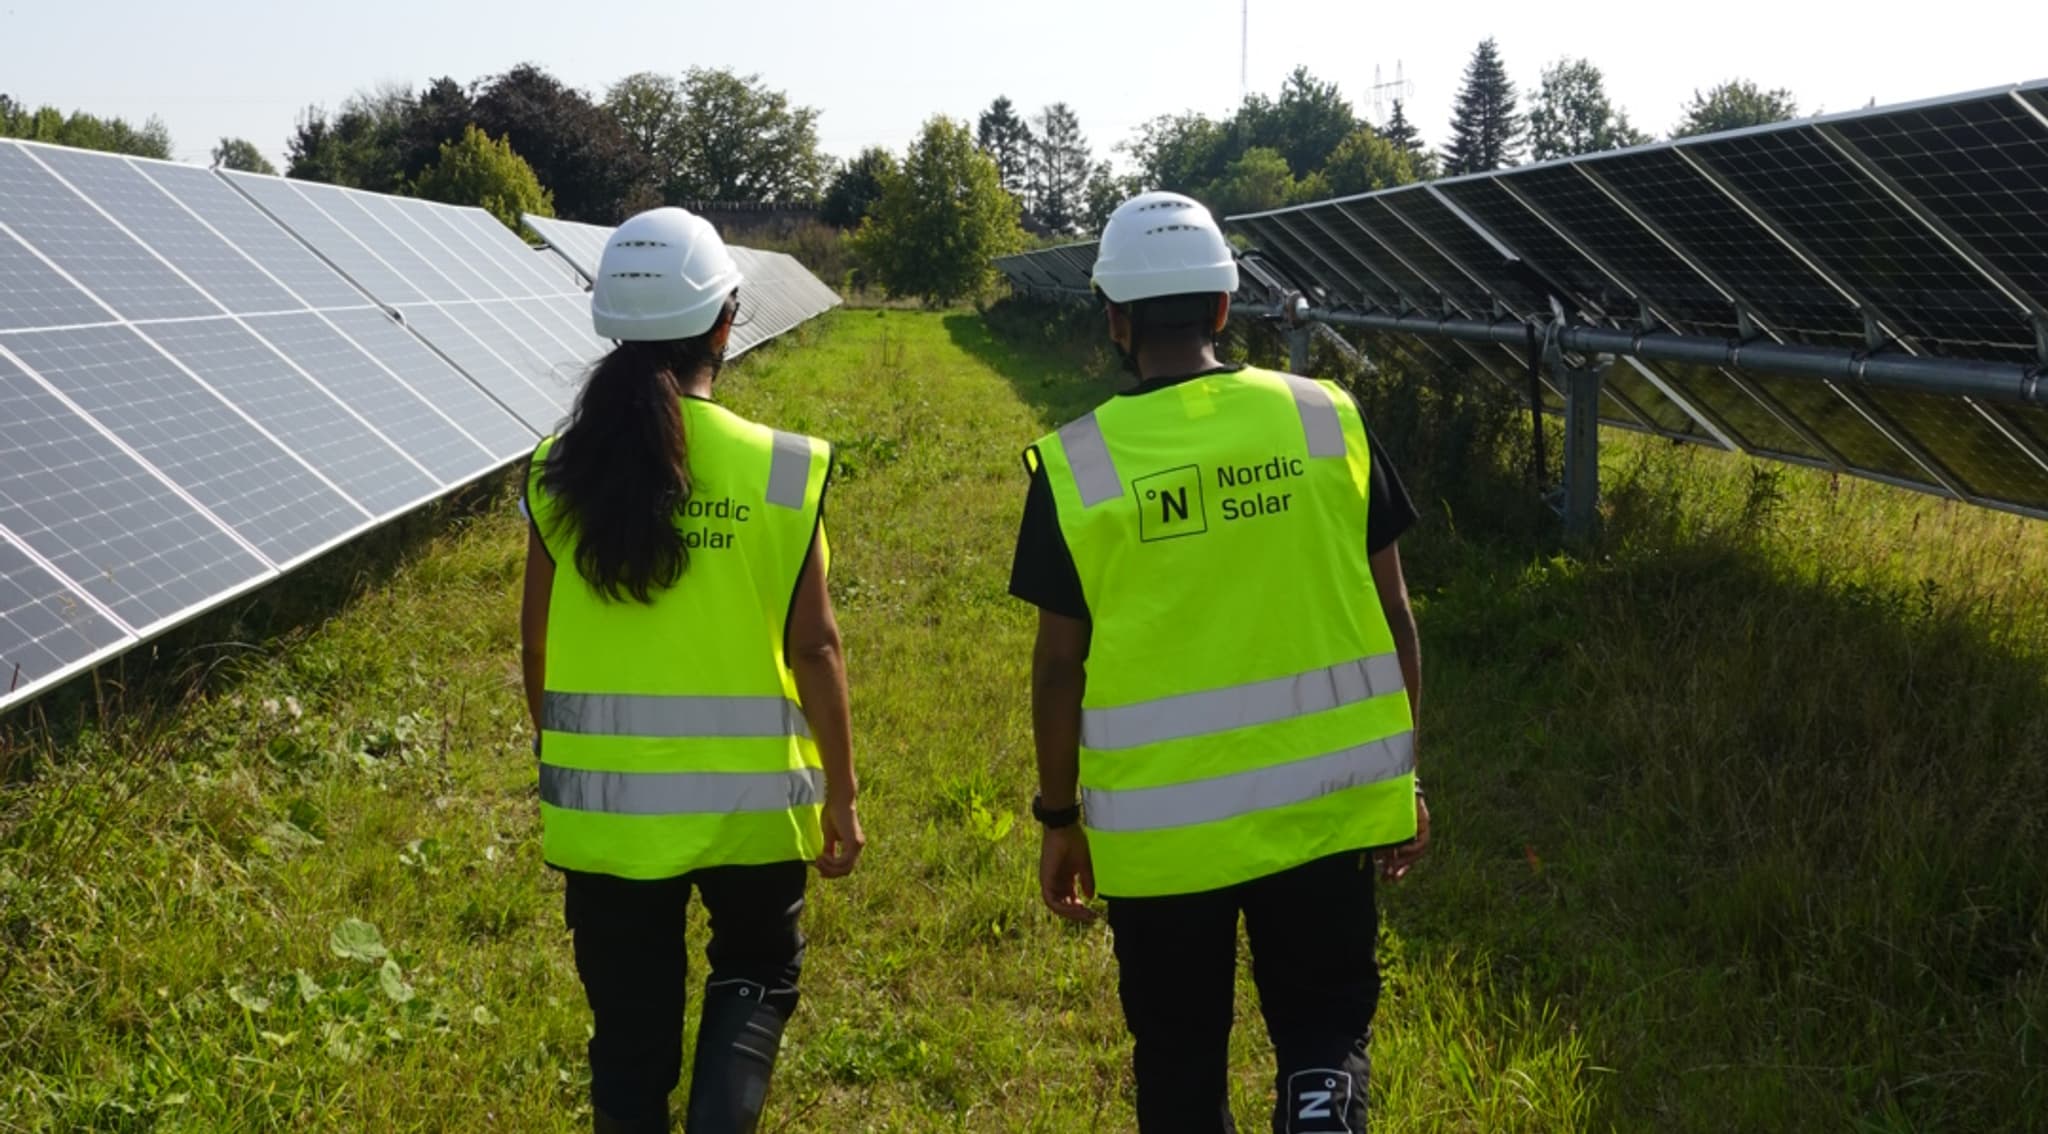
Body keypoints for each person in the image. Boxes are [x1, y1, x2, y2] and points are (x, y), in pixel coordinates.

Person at [1008, 191, 1429, 1133]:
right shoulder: (1330, 418)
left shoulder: (1079, 464)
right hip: (1326, 809)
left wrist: (1059, 816)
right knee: (1323, 1030)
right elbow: (1395, 614)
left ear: (1116, 319)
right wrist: (1403, 773)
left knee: (1180, 1056)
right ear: (1225, 308)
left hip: (1162, 840)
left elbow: (1056, 671)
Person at [520, 206, 863, 1134]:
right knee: (755, 974)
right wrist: (841, 792)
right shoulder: (788, 472)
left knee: (628, 1043)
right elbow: (817, 647)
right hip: (755, 811)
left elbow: (539, 649)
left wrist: (564, 760)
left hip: (605, 823)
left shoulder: (557, 471)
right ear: (728, 318)